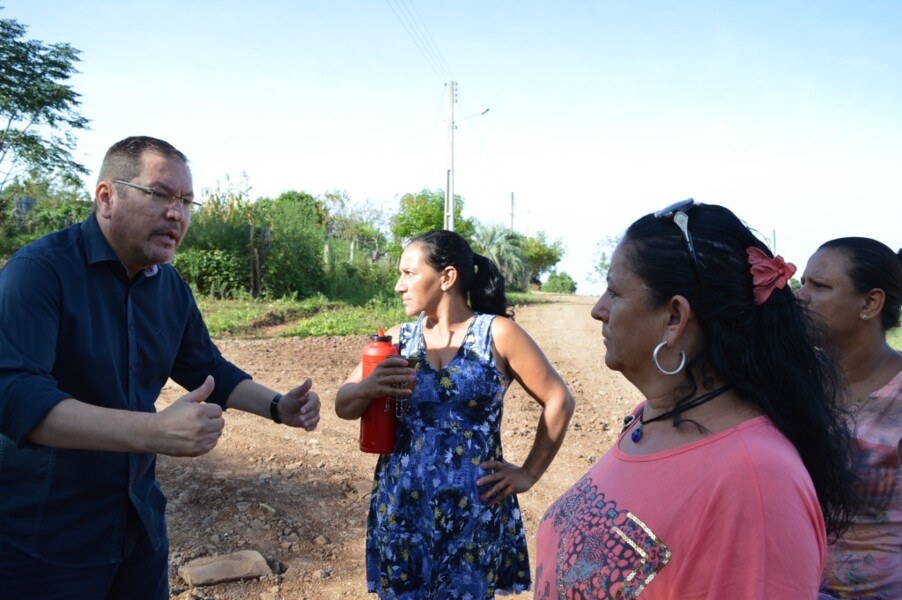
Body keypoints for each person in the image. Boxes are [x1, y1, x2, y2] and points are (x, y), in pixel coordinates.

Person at [0, 136, 321, 600]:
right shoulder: (40, 271)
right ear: (107, 197)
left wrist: (277, 406)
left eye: (187, 202)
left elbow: (205, 366)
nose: (178, 214)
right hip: (44, 538)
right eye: (161, 195)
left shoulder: (168, 287)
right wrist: (154, 431)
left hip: (137, 526)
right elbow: (14, 395)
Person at [534, 200, 858, 599]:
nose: (598, 310)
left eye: (615, 292)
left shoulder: (756, 482)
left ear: (674, 317)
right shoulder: (649, 420)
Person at [335, 229, 575, 599]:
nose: (400, 285)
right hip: (402, 508)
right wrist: (368, 387)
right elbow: (343, 404)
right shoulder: (398, 340)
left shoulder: (497, 333)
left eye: (409, 273)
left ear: (446, 277)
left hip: (472, 513)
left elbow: (559, 399)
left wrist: (529, 473)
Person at [797, 237, 902, 599]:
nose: (801, 296)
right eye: (803, 283)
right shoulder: (795, 384)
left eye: (820, 286)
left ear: (870, 303)